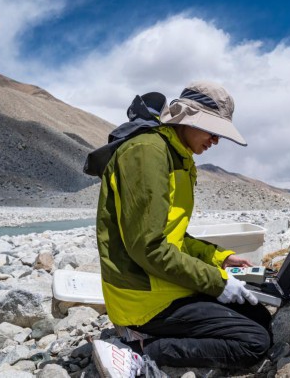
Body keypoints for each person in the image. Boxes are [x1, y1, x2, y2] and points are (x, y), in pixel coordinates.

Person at [90, 81, 272, 377]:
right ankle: (138, 351)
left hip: (160, 281)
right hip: (143, 295)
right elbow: (149, 247)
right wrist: (217, 282)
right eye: (212, 131)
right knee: (253, 342)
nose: (216, 140)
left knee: (259, 317)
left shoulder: (176, 156)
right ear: (188, 118)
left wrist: (219, 258)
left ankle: (149, 337)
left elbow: (172, 238)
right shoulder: (147, 152)